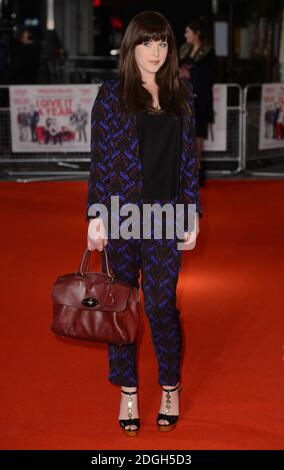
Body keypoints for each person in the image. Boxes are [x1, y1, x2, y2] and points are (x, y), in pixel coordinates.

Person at [86, 10, 202, 436]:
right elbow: (99, 161)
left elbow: (190, 161)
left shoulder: (181, 94)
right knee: (121, 307)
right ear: (131, 46)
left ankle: (169, 385)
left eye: (163, 43)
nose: (156, 52)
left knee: (158, 306)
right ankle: (128, 390)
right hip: (120, 215)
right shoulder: (111, 95)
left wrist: (192, 214)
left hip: (165, 217)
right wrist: (95, 216)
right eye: (147, 43)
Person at [179, 17, 215, 186]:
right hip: (184, 97)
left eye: (188, 32)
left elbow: (209, 75)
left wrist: (191, 75)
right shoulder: (183, 50)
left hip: (201, 100)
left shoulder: (208, 51)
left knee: (198, 136)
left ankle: (197, 172)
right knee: (185, 136)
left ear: (196, 33)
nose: (185, 35)